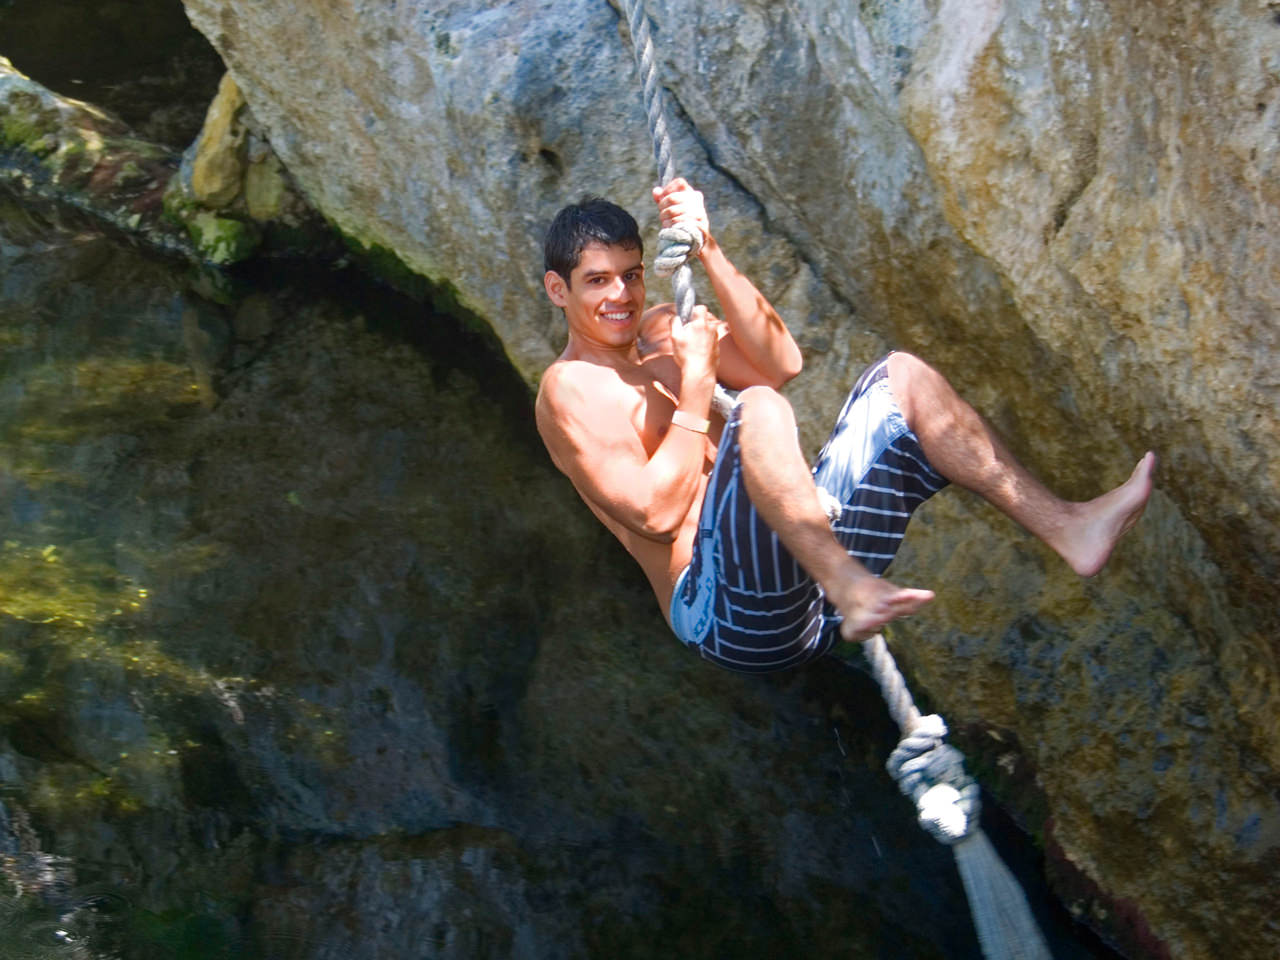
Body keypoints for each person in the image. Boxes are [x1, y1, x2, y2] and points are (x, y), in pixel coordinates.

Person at [535, 179, 1155, 673]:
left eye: (631, 274)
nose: (621, 295)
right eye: (598, 281)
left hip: (805, 582)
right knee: (759, 409)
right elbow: (654, 515)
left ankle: (1068, 528)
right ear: (558, 290)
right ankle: (846, 582)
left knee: (903, 378)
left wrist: (710, 248)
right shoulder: (570, 389)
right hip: (726, 616)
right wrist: (697, 384)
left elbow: (780, 362)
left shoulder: (665, 331)